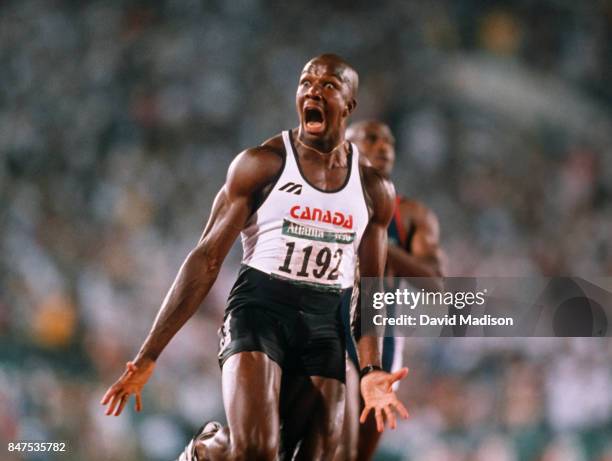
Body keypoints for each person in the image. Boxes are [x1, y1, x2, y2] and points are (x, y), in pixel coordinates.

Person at [101, 55, 409, 461]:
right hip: (262, 310)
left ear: (349, 105)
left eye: (329, 85)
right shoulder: (262, 164)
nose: (313, 90)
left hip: (324, 325)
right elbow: (206, 258)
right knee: (256, 452)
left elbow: (370, 292)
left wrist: (370, 370)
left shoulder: (372, 189)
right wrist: (148, 355)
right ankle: (202, 449)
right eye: (305, 82)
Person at [337, 120, 445, 461]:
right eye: (371, 139)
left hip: (381, 331)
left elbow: (436, 283)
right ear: (345, 148)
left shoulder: (410, 214)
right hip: (325, 322)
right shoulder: (322, 200)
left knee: (361, 446)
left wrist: (379, 236)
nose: (384, 147)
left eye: (389, 141)